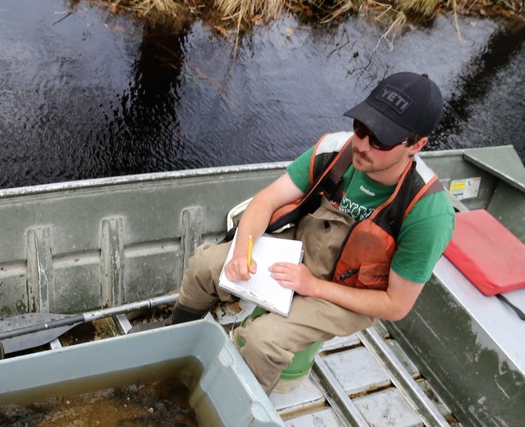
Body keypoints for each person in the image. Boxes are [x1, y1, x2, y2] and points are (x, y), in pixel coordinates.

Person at [174, 72, 454, 393]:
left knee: (262, 341)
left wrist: (313, 287)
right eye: (361, 127)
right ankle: (175, 345)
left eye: (381, 140)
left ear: (416, 145)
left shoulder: (428, 212)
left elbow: (395, 305)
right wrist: (240, 253)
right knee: (206, 266)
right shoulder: (334, 149)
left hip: (349, 292)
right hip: (301, 248)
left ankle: (238, 403)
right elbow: (266, 200)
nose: (362, 145)